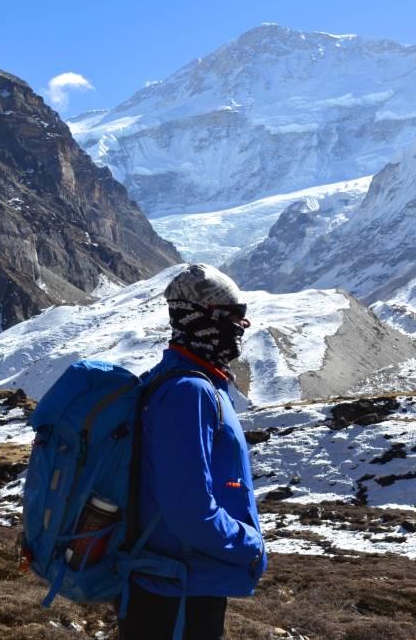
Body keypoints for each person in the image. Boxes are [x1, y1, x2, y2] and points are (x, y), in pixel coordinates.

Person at [118, 264, 267, 640]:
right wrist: (248, 544)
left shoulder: (181, 382)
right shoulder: (189, 392)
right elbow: (190, 509)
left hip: (178, 580)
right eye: (235, 317)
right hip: (178, 588)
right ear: (205, 319)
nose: (241, 329)